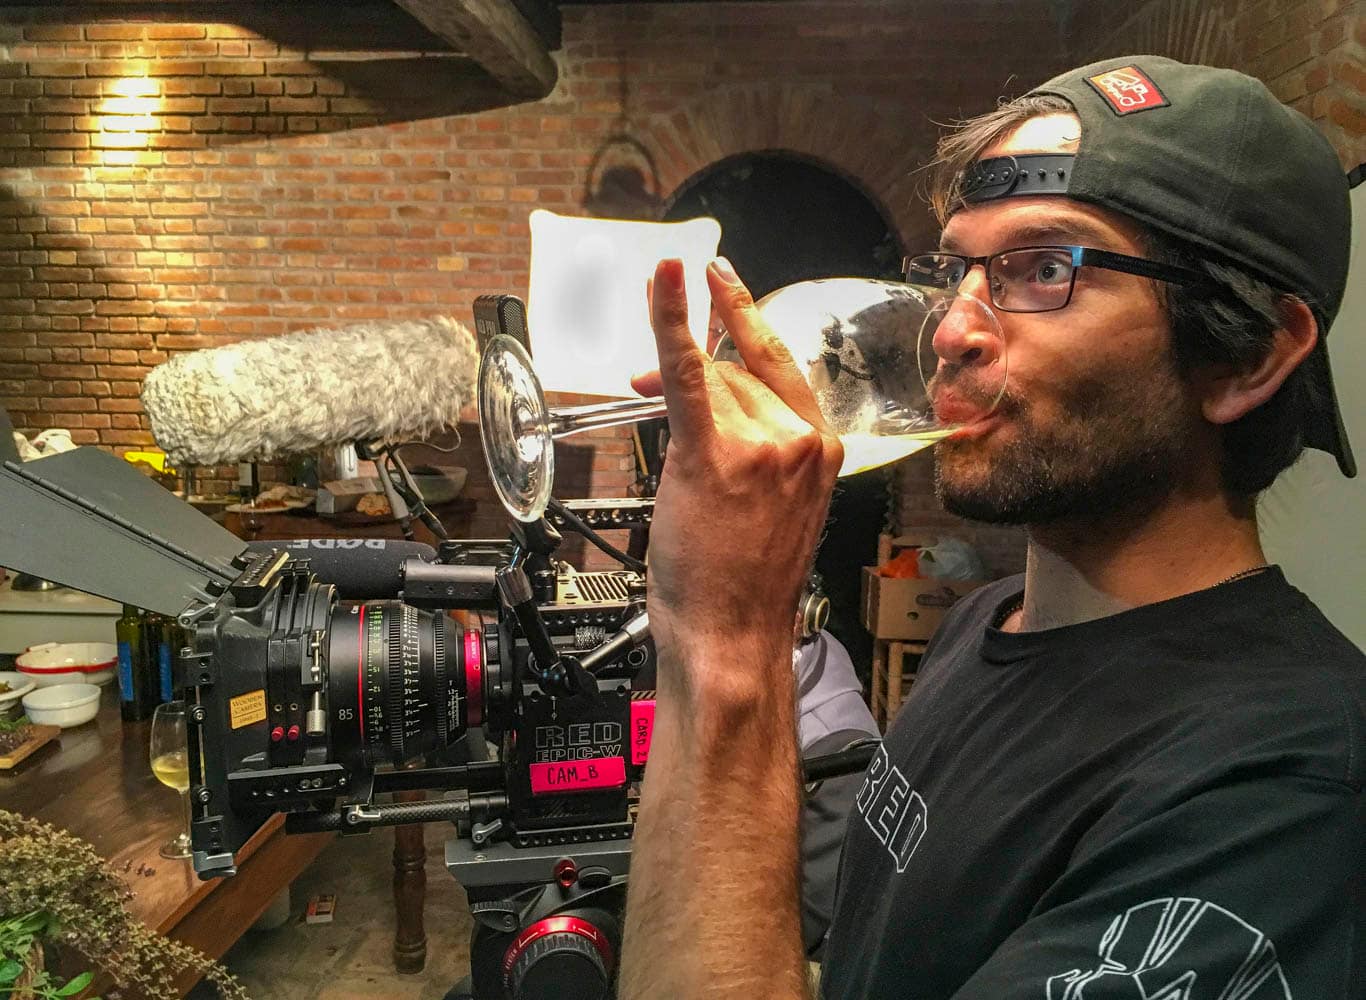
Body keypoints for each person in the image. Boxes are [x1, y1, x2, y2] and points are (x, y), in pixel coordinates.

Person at [617, 56, 1365, 999]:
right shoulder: (984, 620)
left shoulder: (1283, 793)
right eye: (957, 271)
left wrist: (728, 640)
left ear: (1247, 358)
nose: (949, 331)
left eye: (1045, 268)